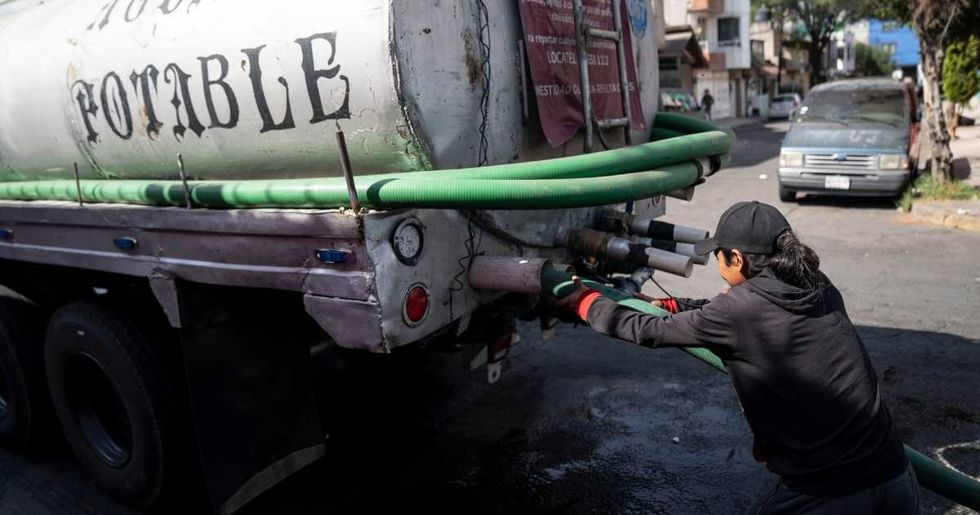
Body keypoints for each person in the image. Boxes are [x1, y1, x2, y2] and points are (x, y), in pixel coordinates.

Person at [558, 201, 919, 514]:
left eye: (718, 253)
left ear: (737, 258)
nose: (716, 259)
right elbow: (729, 311)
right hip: (896, 476)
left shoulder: (740, 310)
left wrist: (584, 302)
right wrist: (670, 304)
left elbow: (646, 330)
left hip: (828, 492)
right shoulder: (815, 283)